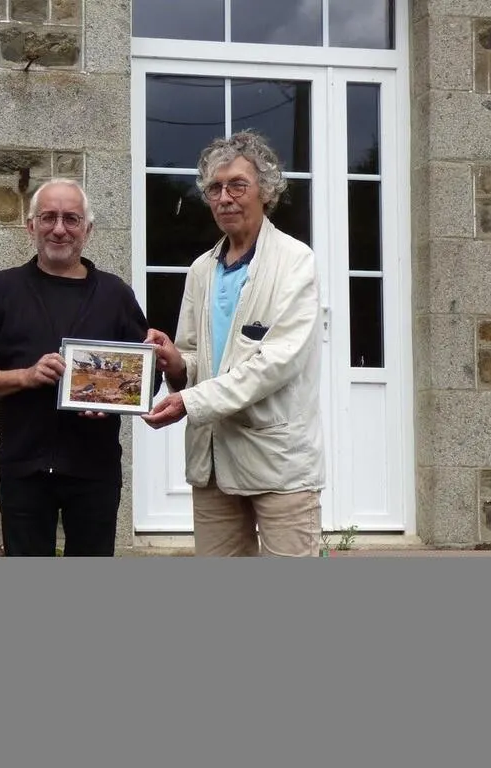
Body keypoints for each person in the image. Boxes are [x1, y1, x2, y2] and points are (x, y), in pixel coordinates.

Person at [142, 130, 325, 557]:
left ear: (267, 190)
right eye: (215, 188)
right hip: (213, 460)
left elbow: (277, 362)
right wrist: (175, 363)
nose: (225, 198)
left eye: (237, 185)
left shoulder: (296, 261)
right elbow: (193, 356)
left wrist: (191, 401)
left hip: (279, 462)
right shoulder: (201, 270)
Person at [0, 179, 153, 557]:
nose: (59, 229)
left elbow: (146, 376)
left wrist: (112, 399)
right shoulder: (3, 289)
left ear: (88, 230)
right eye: (48, 217)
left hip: (95, 470)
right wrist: (25, 376)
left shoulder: (115, 294)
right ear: (30, 226)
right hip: (23, 469)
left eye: (71, 219)